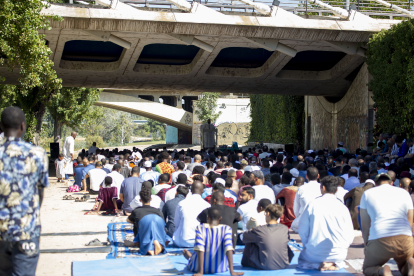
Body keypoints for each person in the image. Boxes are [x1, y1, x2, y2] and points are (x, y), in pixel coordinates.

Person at [0, 107, 49, 276]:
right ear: (23, 126)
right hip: (27, 230)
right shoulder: (37, 154)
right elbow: (40, 191)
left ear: (1, 126)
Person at [360, 173, 414, 276]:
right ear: (392, 183)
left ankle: (382, 271)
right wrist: (410, 238)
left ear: (375, 184)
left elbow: (365, 226)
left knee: (368, 269)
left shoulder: (367, 193)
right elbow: (410, 221)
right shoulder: (404, 193)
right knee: (403, 267)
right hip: (405, 238)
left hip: (380, 240)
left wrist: (367, 244)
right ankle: (410, 264)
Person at [298, 176, 354, 271]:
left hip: (314, 254)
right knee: (338, 259)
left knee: (303, 260)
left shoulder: (313, 204)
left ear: (323, 188)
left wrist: (308, 245)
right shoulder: (342, 207)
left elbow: (302, 230)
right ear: (336, 190)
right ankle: (333, 264)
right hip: (339, 255)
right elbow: (350, 234)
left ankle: (317, 265)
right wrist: (341, 248)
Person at [183, 206, 243, 276]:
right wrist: (232, 271)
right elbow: (229, 248)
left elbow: (200, 249)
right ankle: (191, 257)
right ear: (220, 218)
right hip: (220, 268)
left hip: (196, 268)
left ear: (207, 217)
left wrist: (200, 272)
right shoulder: (226, 229)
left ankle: (190, 257)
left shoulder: (200, 228)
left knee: (194, 255)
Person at [242, 204, 293, 270]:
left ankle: (246, 264)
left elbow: (244, 237)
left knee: (250, 241)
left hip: (265, 265)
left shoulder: (259, 230)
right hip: (284, 264)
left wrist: (251, 230)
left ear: (268, 214)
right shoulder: (285, 228)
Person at [125, 188, 167, 256]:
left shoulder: (136, 211)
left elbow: (128, 220)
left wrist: (136, 222)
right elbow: (163, 225)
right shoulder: (158, 211)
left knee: (139, 236)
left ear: (140, 200)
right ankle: (158, 244)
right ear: (151, 199)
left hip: (143, 236)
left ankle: (148, 248)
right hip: (158, 235)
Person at [173, 181, 211, 247]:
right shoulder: (207, 205)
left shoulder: (181, 203)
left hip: (182, 241)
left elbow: (176, 224)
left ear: (190, 190)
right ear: (202, 191)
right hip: (201, 242)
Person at [291, 167, 321, 233]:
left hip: (303, 222)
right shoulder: (323, 188)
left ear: (306, 176)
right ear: (318, 176)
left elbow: (296, 209)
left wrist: (300, 218)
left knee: (293, 226)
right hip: (319, 223)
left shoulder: (301, 188)